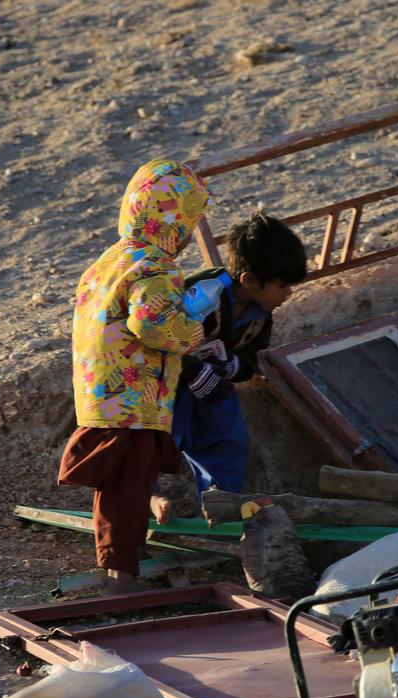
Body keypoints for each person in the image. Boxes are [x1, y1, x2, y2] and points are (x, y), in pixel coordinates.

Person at [57, 159, 210, 595]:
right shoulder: (155, 267)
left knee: (128, 479)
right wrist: (192, 331)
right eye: (187, 222)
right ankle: (121, 578)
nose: (186, 235)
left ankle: (125, 558)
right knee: (126, 485)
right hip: (133, 395)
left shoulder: (109, 260)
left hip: (101, 389)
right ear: (172, 221)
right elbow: (152, 324)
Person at [152, 212, 307, 523]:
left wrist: (231, 366)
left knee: (228, 440)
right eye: (282, 286)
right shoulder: (200, 293)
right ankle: (147, 499)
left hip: (214, 388)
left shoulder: (260, 312)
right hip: (168, 384)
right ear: (249, 280)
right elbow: (158, 335)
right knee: (155, 441)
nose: (288, 294)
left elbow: (252, 357)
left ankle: (219, 509)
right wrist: (192, 370)